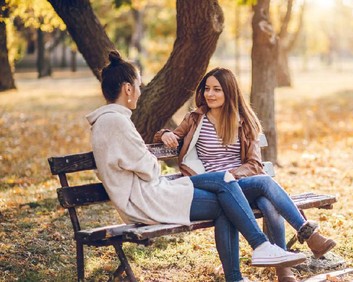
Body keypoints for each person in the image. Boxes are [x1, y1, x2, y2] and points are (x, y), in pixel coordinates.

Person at [86, 51, 307, 282]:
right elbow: (150, 169)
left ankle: (249, 264)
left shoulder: (111, 120)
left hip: (149, 193)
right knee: (225, 196)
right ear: (128, 89)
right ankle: (257, 251)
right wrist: (154, 153)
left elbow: (138, 162)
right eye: (138, 86)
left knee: (224, 183)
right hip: (148, 199)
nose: (140, 92)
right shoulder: (116, 122)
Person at [154, 67, 337, 282]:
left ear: (229, 92)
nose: (209, 94)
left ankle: (283, 271)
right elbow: (165, 136)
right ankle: (307, 238)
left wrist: (231, 175)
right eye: (207, 89)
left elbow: (254, 164)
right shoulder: (195, 119)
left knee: (267, 201)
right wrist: (165, 134)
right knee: (266, 190)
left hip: (239, 184)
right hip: (211, 187)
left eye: (217, 90)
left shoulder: (244, 121)